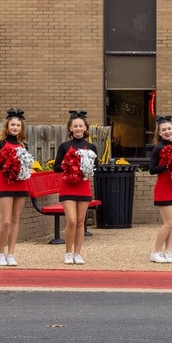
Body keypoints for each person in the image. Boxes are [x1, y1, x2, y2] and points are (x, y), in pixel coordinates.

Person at [0, 108, 31, 267]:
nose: (15, 127)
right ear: (7, 126)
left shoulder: (23, 145)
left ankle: (11, 254)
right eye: (13, 124)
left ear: (21, 127)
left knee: (16, 218)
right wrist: (2, 166)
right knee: (6, 221)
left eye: (18, 125)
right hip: (5, 184)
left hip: (21, 183)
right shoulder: (0, 143)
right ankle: (0, 253)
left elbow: (26, 163)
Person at [53, 110, 99, 266]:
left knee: (80, 221)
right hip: (68, 187)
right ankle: (68, 252)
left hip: (83, 187)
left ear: (85, 128)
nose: (79, 128)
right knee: (71, 221)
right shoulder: (64, 146)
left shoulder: (91, 147)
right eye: (75, 126)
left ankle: (77, 253)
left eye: (81, 126)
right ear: (70, 128)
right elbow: (56, 167)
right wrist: (69, 166)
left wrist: (86, 167)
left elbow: (96, 167)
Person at [148, 115, 172, 264]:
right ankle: (155, 252)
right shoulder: (158, 148)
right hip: (164, 189)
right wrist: (167, 166)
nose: (167, 132)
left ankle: (168, 251)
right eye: (164, 130)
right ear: (160, 133)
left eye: (169, 129)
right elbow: (152, 169)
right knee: (168, 223)